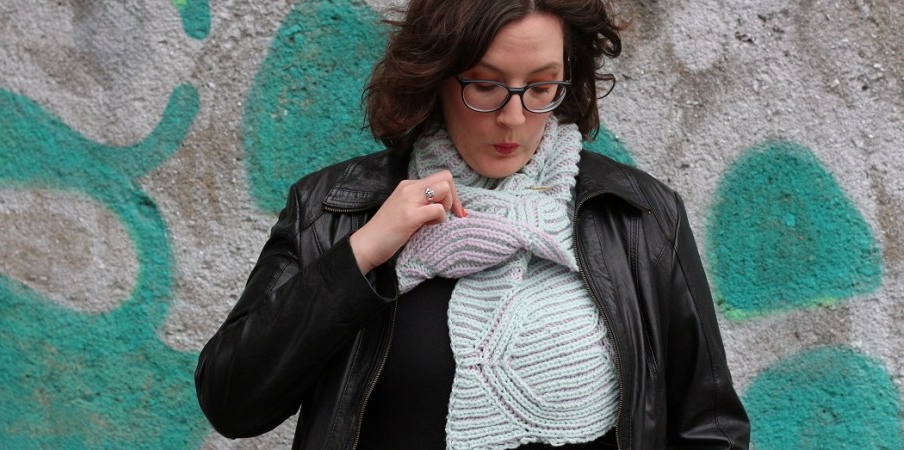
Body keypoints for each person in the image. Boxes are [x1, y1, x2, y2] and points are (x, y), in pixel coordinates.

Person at [195, 0, 751, 448]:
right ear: (436, 75)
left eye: (541, 88)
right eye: (485, 86)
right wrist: (362, 253)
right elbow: (233, 402)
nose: (514, 118)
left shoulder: (638, 217)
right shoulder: (333, 209)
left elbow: (710, 429)